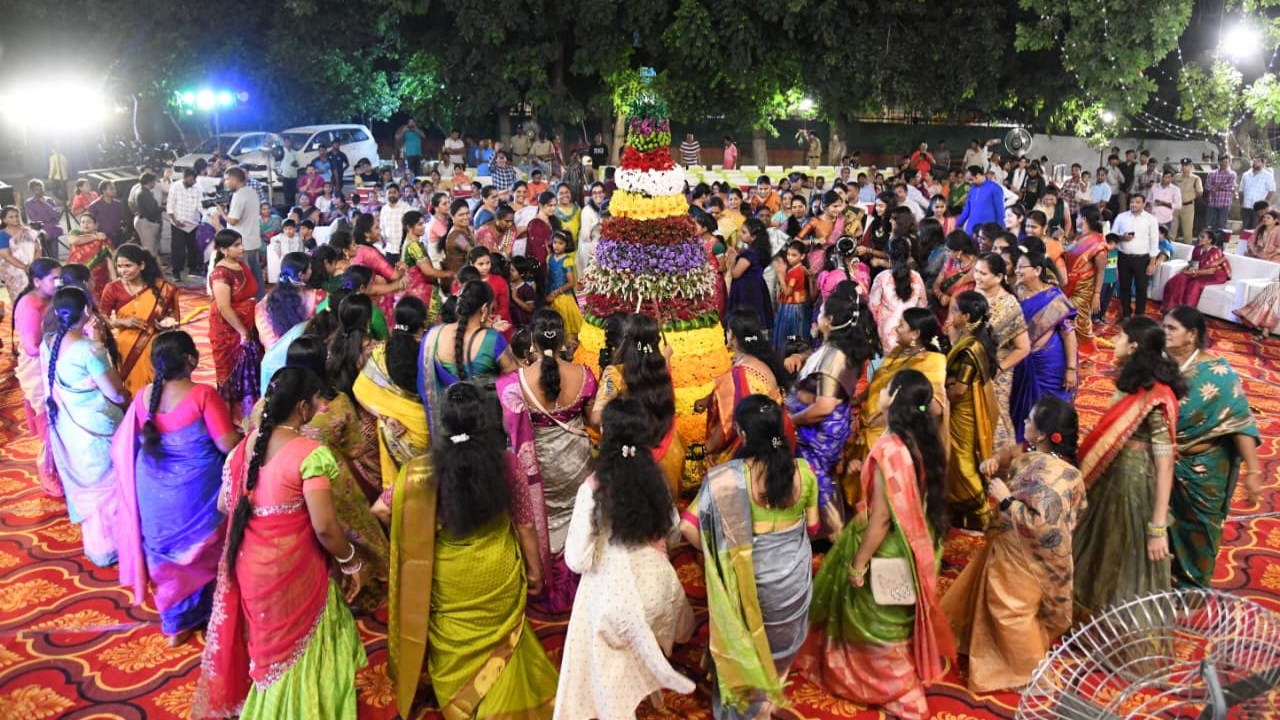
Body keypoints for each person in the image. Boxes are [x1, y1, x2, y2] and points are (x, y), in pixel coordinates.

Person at [194, 367, 368, 719]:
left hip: (251, 567)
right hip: (294, 571)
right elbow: (325, 528)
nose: (321, 407)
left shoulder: (247, 446)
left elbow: (225, 504)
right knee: (307, 644)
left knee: (270, 653)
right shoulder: (310, 455)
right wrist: (352, 561)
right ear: (302, 407)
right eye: (317, 402)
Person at [382, 381, 558, 720]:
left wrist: (423, 526)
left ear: (444, 424)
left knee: (452, 638)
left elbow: (382, 509)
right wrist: (535, 572)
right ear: (484, 421)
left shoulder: (421, 473)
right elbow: (524, 524)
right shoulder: (507, 465)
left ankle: (462, 703)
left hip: (452, 580)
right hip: (499, 573)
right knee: (507, 639)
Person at [796, 369, 956, 720]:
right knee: (897, 613)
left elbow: (882, 519)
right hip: (919, 541)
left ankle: (895, 689)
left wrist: (858, 564)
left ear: (895, 397)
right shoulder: (922, 438)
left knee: (873, 616)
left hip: (888, 546)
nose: (879, 393)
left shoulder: (890, 450)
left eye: (885, 389)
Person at [554, 396, 696, 720]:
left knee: (589, 593)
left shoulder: (593, 489)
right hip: (661, 593)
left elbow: (577, 560)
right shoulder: (657, 479)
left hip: (617, 606)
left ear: (605, 433)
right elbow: (672, 531)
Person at [681, 394, 817, 719]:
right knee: (777, 646)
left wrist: (720, 554)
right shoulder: (803, 472)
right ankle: (770, 689)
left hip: (750, 588)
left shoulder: (725, 479)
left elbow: (687, 529)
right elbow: (812, 528)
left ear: (742, 435)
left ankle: (750, 702)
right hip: (794, 588)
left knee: (745, 639)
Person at [944, 396, 1085, 692]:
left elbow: (1044, 524)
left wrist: (1007, 500)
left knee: (1009, 610)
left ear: (1044, 435)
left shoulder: (1049, 477)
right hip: (1019, 547)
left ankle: (1027, 671)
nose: (1025, 423)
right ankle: (980, 645)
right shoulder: (1066, 471)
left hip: (1025, 555)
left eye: (1030, 420)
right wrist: (994, 463)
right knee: (995, 600)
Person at [111, 331, 242, 646]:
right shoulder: (202, 395)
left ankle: (175, 626)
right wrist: (249, 437)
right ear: (191, 360)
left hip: (153, 493)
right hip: (195, 493)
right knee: (206, 548)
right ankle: (210, 611)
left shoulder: (143, 396)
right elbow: (226, 444)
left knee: (167, 558)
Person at [1073, 316, 1186, 618]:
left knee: (1124, 556)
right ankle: (1089, 621)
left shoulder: (1157, 395)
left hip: (1134, 488)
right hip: (1110, 477)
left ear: (1134, 346)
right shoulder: (1133, 381)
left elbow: (1165, 466)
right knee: (1099, 546)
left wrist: (1157, 526)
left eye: (1120, 337)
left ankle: (1119, 632)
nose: (1114, 342)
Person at [498, 309, 598, 613]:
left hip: (539, 467)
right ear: (564, 338)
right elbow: (593, 420)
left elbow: (508, 428)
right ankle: (585, 564)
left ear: (532, 341)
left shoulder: (515, 382)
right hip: (577, 460)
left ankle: (549, 568)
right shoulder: (584, 374)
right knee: (578, 508)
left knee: (549, 516)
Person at [1162, 306, 1262, 589]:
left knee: (1198, 531)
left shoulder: (1218, 374)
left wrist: (1253, 472)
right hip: (1161, 464)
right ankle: (1162, 578)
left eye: (1172, 328)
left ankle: (1192, 588)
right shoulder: (1161, 366)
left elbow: (1240, 422)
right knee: (1160, 524)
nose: (1164, 333)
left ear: (1192, 335)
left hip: (1202, 472)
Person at [43, 286, 128, 566]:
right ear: (87, 312)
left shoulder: (49, 343)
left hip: (69, 428)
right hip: (97, 426)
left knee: (90, 486)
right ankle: (117, 545)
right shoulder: (89, 350)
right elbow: (115, 393)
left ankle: (99, 547)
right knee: (109, 487)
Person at [784, 285, 874, 539]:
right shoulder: (840, 348)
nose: (818, 318)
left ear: (830, 321)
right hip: (828, 426)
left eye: (821, 313)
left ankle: (837, 537)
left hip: (817, 431)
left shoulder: (834, 356)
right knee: (821, 478)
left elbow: (823, 407)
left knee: (818, 481)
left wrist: (791, 421)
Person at [589, 313, 686, 498]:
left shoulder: (614, 374)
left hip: (632, 458)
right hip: (668, 452)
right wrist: (666, 357)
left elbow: (596, 418)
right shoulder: (660, 371)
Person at [352, 296, 431, 489]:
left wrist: (386, 418)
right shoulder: (427, 352)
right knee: (425, 487)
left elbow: (360, 389)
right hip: (424, 429)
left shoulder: (381, 352)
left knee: (399, 489)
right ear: (422, 323)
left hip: (393, 431)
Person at [697, 309, 792, 467]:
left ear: (732, 336)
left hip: (749, 453)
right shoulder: (761, 360)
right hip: (772, 440)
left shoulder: (739, 374)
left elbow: (729, 423)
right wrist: (709, 400)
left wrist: (706, 448)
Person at [419, 279, 516, 434]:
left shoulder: (433, 336)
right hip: (485, 425)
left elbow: (425, 383)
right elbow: (512, 382)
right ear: (484, 309)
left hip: (449, 424)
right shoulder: (492, 340)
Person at [943, 291, 1001, 531]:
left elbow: (959, 389)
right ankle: (960, 511)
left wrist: (940, 396)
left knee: (962, 457)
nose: (952, 314)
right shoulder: (976, 340)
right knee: (963, 457)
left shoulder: (970, 350)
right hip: (973, 406)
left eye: (956, 311)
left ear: (966, 316)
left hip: (963, 410)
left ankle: (979, 512)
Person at [1010, 250, 1078, 443]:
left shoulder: (1054, 297)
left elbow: (1068, 333)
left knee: (1052, 408)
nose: (1017, 271)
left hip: (1050, 363)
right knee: (1026, 407)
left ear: (1038, 270)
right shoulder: (1015, 295)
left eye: (1021, 267)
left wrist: (1071, 368)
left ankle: (1054, 445)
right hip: (1024, 361)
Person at [100, 245, 180, 394]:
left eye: (128, 266)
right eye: (119, 266)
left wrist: (165, 324)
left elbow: (174, 319)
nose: (123, 270)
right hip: (125, 347)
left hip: (155, 345)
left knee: (157, 388)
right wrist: (122, 322)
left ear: (142, 265)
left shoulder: (162, 288)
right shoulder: (112, 288)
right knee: (131, 389)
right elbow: (101, 319)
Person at [12, 259, 63, 496]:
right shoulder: (30, 305)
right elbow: (32, 347)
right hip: (38, 370)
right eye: (54, 279)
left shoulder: (49, 298)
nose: (58, 283)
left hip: (55, 364)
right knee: (49, 425)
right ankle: (47, 472)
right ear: (37, 281)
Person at [973, 252, 1030, 446]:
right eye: (976, 271)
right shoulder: (976, 294)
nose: (977, 276)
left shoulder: (1009, 305)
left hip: (996, 375)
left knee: (995, 420)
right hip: (970, 368)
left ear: (999, 277)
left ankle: (998, 465)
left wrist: (998, 369)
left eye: (983, 273)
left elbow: (1023, 348)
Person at [208, 230, 262, 426]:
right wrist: (242, 331)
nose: (242, 248)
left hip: (248, 323)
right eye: (236, 245)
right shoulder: (220, 273)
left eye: (241, 243)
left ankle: (251, 412)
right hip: (229, 330)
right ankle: (233, 419)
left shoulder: (240, 265)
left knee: (251, 367)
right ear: (223, 249)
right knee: (231, 371)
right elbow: (223, 306)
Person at [1063, 205, 1108, 359]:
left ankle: (1084, 351)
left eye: (1077, 217)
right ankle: (1069, 349)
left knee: (1080, 320)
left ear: (1083, 219)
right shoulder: (1080, 237)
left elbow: (1101, 271)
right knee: (1066, 318)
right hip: (1069, 284)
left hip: (1084, 288)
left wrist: (1096, 294)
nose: (1076, 220)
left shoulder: (1099, 244)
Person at [870, 238, 928, 354]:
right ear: (908, 255)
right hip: (910, 333)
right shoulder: (916, 277)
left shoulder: (882, 278)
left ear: (889, 256)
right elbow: (922, 306)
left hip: (887, 334)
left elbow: (873, 308)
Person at [1162, 229, 1231, 309]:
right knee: (1179, 278)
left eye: (1203, 237)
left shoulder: (1216, 251)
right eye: (1199, 236)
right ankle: (1171, 307)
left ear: (1209, 240)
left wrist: (1192, 272)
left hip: (1215, 275)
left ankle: (1187, 310)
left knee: (1195, 284)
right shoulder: (1197, 248)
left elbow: (1211, 271)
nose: (1199, 239)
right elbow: (1193, 263)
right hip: (1200, 272)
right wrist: (1185, 269)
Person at [224, 168, 266, 299]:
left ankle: (247, 302)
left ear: (235, 179)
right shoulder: (252, 192)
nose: (226, 182)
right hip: (253, 240)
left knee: (244, 275)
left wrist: (221, 212)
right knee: (255, 273)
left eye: (227, 179)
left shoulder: (239, 195)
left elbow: (233, 220)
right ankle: (259, 300)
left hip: (243, 242)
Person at [727, 218, 775, 333]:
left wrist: (732, 260)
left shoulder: (750, 253)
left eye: (744, 232)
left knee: (745, 319)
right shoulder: (758, 251)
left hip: (746, 289)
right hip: (756, 286)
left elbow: (736, 274)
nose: (741, 235)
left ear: (753, 237)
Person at [545, 230, 583, 350]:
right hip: (550, 298)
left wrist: (555, 293)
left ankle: (568, 351)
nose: (556, 245)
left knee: (566, 326)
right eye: (555, 242)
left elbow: (571, 283)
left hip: (563, 298)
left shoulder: (567, 260)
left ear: (567, 245)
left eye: (560, 243)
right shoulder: (549, 258)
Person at [66, 212, 114, 303]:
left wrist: (114, 279)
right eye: (83, 222)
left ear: (96, 225)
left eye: (89, 222)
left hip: (98, 279)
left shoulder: (103, 241)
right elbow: (74, 240)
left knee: (99, 304)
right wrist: (95, 236)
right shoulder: (75, 233)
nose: (85, 224)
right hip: (76, 277)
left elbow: (110, 260)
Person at [0, 204, 42, 301]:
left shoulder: (28, 232)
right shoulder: (2, 235)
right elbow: (7, 256)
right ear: (4, 219)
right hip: (14, 272)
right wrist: (24, 267)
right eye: (11, 217)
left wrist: (32, 266)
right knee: (19, 298)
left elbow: (38, 249)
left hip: (32, 268)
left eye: (17, 216)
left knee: (36, 295)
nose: (15, 219)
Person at [772, 241, 810, 350]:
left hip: (792, 307)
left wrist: (780, 275)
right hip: (794, 304)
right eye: (788, 254)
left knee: (789, 332)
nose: (790, 258)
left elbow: (788, 292)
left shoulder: (795, 272)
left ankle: (788, 352)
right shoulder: (798, 268)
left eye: (794, 255)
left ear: (802, 256)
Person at [957, 165, 1004, 234]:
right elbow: (967, 209)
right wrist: (958, 223)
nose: (970, 182)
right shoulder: (972, 188)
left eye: (971, 179)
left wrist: (1001, 230)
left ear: (978, 175)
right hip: (971, 230)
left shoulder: (994, 188)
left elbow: (1000, 211)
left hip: (988, 231)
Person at [1170, 158, 1203, 243]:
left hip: (1188, 206)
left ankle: (1188, 251)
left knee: (1187, 231)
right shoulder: (1176, 177)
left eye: (1186, 166)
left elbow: (1200, 192)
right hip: (1176, 206)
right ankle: (1168, 250)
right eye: (1183, 165)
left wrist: (1190, 196)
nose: (1184, 167)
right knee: (1172, 230)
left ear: (1191, 167)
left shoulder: (1195, 178)